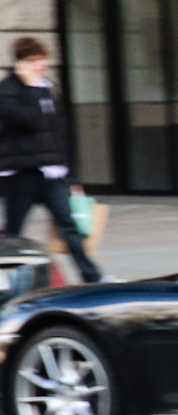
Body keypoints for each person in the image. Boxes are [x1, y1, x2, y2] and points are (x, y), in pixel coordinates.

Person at [0, 37, 100, 285]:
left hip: (53, 175)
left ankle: (92, 277)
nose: (40, 66)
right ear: (20, 63)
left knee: (69, 227)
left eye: (41, 60)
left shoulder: (47, 87)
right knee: (13, 232)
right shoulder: (8, 90)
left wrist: (72, 175)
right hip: (22, 175)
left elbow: (60, 133)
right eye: (33, 61)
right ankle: (6, 280)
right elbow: (30, 120)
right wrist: (32, 88)